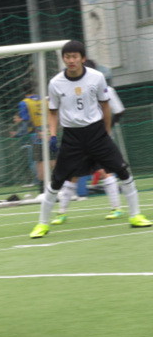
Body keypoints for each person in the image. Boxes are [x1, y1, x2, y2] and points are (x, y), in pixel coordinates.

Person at [29, 40, 151, 238]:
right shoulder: (55, 83)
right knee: (57, 180)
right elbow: (53, 112)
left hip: (96, 133)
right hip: (72, 136)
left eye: (74, 57)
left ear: (83, 58)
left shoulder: (97, 77)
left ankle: (135, 215)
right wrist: (52, 134)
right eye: (67, 57)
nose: (71, 60)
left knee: (123, 171)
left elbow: (105, 106)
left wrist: (106, 132)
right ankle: (42, 224)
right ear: (63, 59)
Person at [50, 59, 126, 225]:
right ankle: (61, 212)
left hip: (98, 138)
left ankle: (116, 207)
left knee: (104, 170)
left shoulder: (104, 87)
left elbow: (118, 110)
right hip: (79, 138)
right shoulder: (69, 88)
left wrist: (106, 129)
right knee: (73, 173)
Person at [18, 85, 54, 191]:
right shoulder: (45, 100)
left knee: (39, 162)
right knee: (52, 159)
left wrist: (20, 134)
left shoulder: (24, 103)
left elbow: (26, 121)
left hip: (36, 134)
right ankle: (58, 185)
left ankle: (42, 190)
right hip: (49, 132)